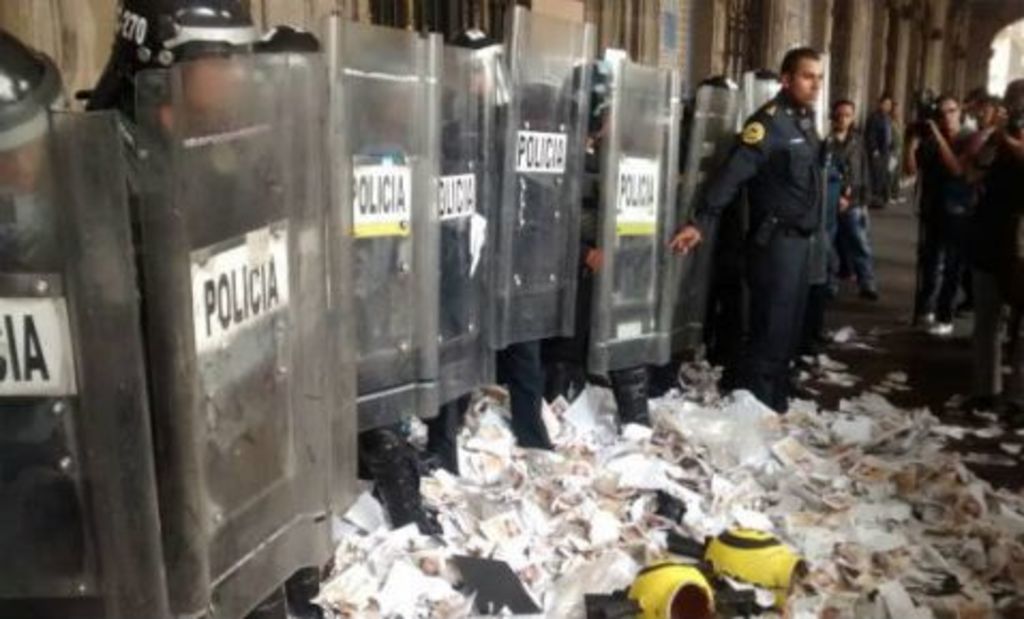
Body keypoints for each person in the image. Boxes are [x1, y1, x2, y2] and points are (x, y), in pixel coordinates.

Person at [670, 47, 825, 413]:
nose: (815, 85)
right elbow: (730, 176)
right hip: (775, 244)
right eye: (807, 76)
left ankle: (777, 400)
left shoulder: (803, 120)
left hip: (801, 243)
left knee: (788, 331)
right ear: (786, 79)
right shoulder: (767, 125)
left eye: (819, 78)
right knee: (769, 330)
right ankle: (759, 407)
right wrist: (700, 221)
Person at [543, 60, 651, 428]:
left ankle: (635, 421)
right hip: (576, 265)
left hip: (614, 262)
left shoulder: (616, 151)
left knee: (622, 340)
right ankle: (562, 416)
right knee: (567, 346)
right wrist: (583, 253)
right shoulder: (562, 152)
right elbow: (543, 219)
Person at [966, 79, 1024, 418]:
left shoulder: (1010, 138)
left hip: (1020, 237)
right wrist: (993, 136)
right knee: (987, 318)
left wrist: (1007, 137)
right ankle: (985, 390)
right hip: (991, 233)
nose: (1016, 109)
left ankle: (1018, 399)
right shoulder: (998, 136)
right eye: (1013, 102)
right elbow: (973, 172)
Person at [905, 94, 974, 336]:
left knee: (952, 266)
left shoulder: (969, 137)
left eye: (951, 111)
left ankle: (945, 316)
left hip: (959, 212)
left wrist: (936, 134)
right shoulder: (931, 139)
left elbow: (956, 169)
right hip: (932, 208)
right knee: (930, 262)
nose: (947, 117)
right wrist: (911, 145)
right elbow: (911, 170)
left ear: (960, 111)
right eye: (942, 113)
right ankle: (925, 309)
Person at [830, 99, 878, 300]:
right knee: (830, 245)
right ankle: (830, 284)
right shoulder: (826, 141)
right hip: (831, 200)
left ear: (853, 117)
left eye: (847, 115)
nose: (843, 119)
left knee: (860, 242)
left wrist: (865, 200)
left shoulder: (858, 142)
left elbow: (864, 171)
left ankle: (867, 282)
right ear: (833, 116)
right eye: (839, 115)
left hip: (854, 200)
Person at [865, 94, 895, 209]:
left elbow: (889, 134)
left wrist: (891, 147)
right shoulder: (874, 117)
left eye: (889, 105)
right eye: (886, 104)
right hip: (878, 151)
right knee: (876, 175)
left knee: (884, 175)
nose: (888, 106)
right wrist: (874, 149)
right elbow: (870, 135)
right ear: (880, 104)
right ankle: (875, 199)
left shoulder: (887, 118)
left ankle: (881, 198)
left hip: (886, 151)